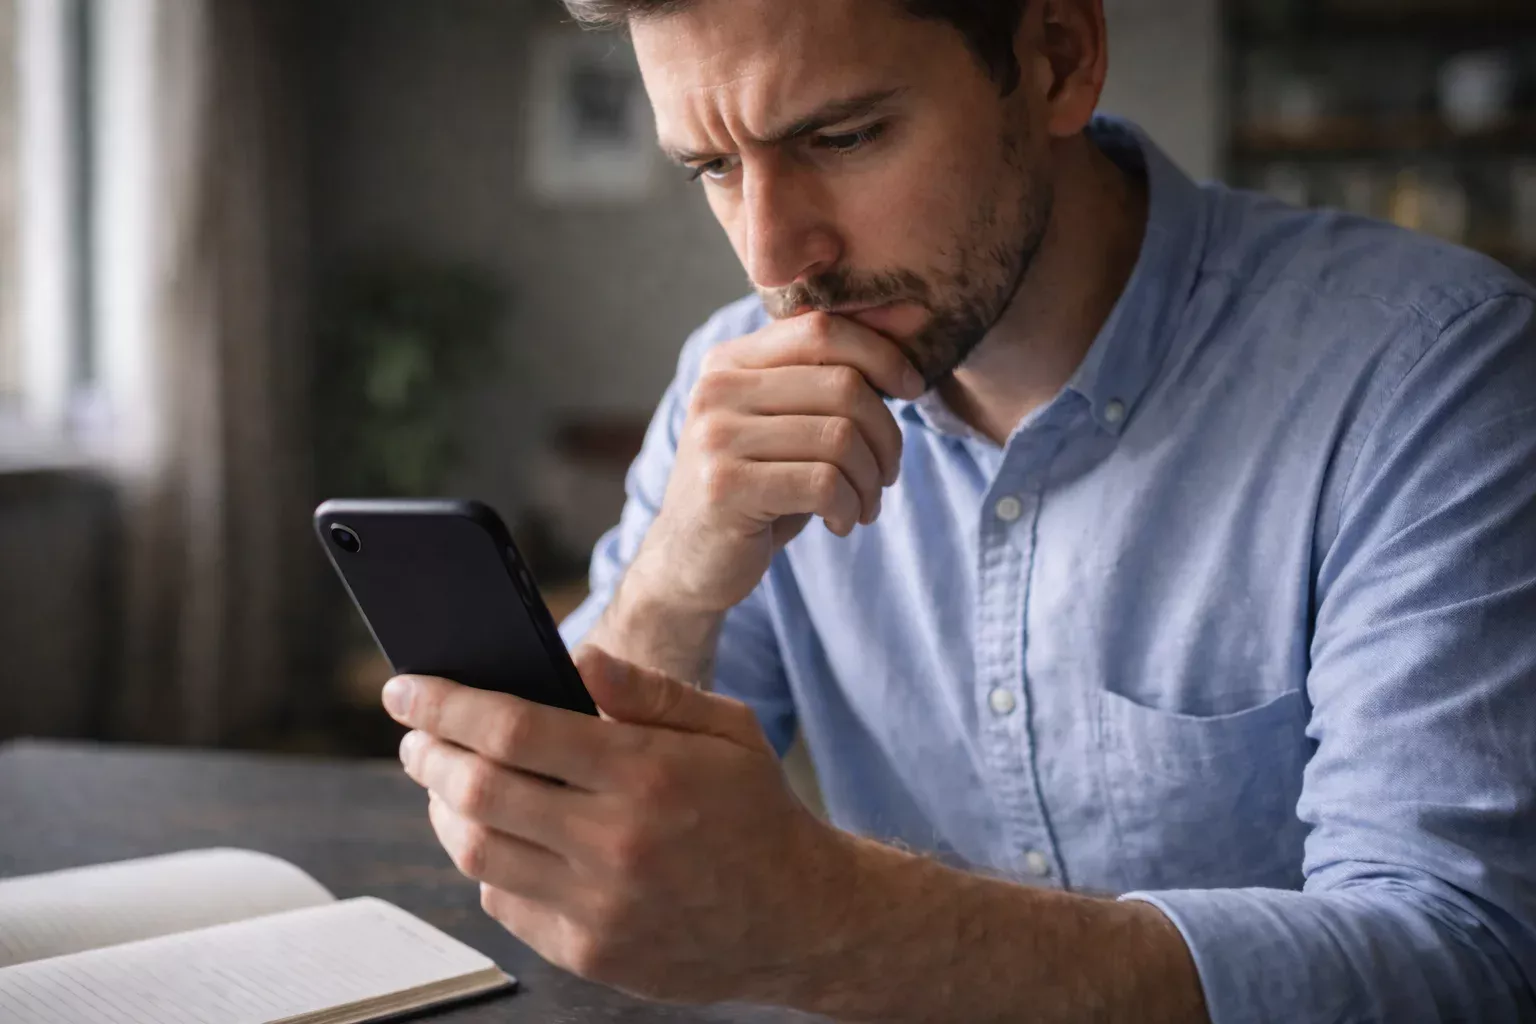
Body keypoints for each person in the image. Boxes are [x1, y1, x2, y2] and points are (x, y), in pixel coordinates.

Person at [379, 0, 1536, 1019]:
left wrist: (830, 923)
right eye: (714, 169)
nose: (774, 255)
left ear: (1057, 55)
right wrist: (676, 577)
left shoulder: (1430, 377)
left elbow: (1463, 965)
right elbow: (571, 860)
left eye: (841, 136)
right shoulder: (730, 387)